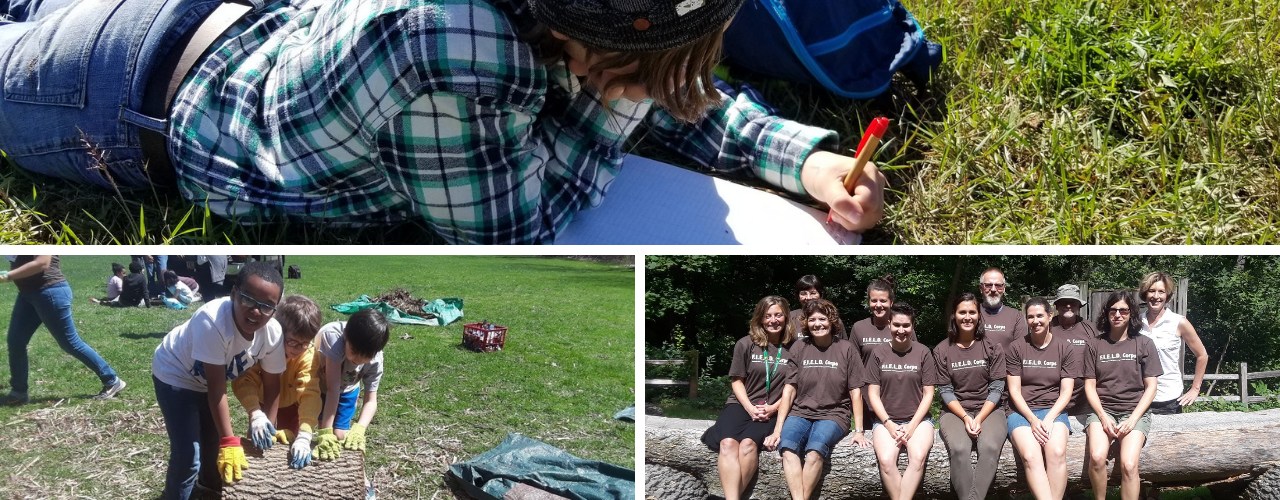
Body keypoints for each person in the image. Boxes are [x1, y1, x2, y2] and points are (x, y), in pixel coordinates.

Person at [0, 0, 887, 244]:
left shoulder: (562, 23)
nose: (658, 88)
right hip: (116, 99)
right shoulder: (452, 57)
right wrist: (626, 105)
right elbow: (522, 224)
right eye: (634, 73)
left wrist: (795, 159)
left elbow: (652, 93)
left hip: (217, 23)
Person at [150, 261, 287, 498]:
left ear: (275, 309)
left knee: (213, 449)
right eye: (248, 299)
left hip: (208, 383)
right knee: (189, 456)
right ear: (234, 294)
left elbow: (273, 385)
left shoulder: (273, 332)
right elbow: (217, 389)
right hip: (176, 374)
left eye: (266, 306)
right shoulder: (212, 321)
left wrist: (267, 425)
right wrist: (230, 440)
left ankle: (207, 490)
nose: (256, 311)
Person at [700, 295, 796, 500]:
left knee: (748, 444)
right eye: (768, 316)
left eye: (778, 315)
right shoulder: (745, 344)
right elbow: (737, 381)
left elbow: (793, 386)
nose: (773, 320)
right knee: (727, 443)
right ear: (760, 319)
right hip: (741, 404)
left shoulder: (795, 348)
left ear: (786, 317)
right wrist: (750, 407)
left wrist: (773, 408)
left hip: (774, 409)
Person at [2, 256, 127, 405]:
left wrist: (8, 276)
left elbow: (42, 263)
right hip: (27, 294)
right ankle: (19, 391)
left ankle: (112, 380)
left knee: (70, 343)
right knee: (16, 341)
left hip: (50, 291)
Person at [777, 299, 864, 500]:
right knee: (787, 447)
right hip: (800, 412)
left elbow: (856, 392)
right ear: (806, 323)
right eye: (812, 319)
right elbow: (789, 389)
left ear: (832, 321)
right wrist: (777, 428)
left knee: (815, 450)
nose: (818, 324)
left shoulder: (846, 349)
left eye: (822, 319)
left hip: (834, 414)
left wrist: (859, 431)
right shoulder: (799, 347)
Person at [1084, 291, 1162, 500]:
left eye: (1123, 310)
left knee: (1128, 464)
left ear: (1131, 314)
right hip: (1103, 410)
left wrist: (1133, 419)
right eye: (1113, 310)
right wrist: (1102, 416)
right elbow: (1090, 386)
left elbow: (1152, 386)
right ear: (1107, 313)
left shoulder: (1144, 344)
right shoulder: (1094, 344)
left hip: (1135, 412)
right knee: (1097, 457)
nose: (1118, 314)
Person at [232, 295, 324, 469]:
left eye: (305, 343)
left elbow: (309, 392)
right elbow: (244, 379)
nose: (299, 349)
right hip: (261, 403)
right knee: (258, 446)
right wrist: (255, 413)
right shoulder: (260, 345)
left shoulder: (308, 354)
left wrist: (305, 434)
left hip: (292, 408)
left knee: (288, 448)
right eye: (293, 342)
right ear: (278, 331)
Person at [934, 292, 1007, 500]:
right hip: (955, 411)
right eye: (962, 312)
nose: (967, 317)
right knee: (958, 449)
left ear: (979, 316)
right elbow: (945, 390)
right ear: (954, 316)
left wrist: (980, 417)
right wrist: (966, 418)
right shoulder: (942, 350)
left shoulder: (992, 346)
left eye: (972, 312)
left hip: (990, 408)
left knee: (990, 447)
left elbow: (997, 386)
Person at [866, 302, 942, 500]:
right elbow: (873, 394)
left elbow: (928, 394)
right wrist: (889, 424)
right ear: (889, 324)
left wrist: (912, 425)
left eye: (906, 325)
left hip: (919, 421)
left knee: (917, 458)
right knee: (886, 460)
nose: (901, 330)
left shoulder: (923, 352)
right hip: (885, 421)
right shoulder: (878, 353)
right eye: (897, 325)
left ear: (913, 326)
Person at [1006, 297, 1079, 500]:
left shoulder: (1064, 348)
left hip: (1053, 410)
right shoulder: (1016, 347)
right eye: (1030, 317)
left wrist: (1048, 419)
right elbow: (1014, 391)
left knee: (1056, 452)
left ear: (1050, 316)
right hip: (1021, 412)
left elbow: (1066, 392)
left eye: (1040, 315)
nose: (1035, 321)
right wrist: (1032, 420)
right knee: (1030, 456)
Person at [314, 309, 391, 460]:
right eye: (354, 351)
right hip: (320, 386)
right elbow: (332, 388)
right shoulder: (333, 337)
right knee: (321, 428)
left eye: (366, 356)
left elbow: (371, 400)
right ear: (346, 336)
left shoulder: (376, 360)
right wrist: (325, 432)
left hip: (348, 390)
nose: (358, 360)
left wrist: (360, 428)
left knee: (341, 435)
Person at [1138, 272, 1208, 415]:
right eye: (1151, 291)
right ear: (1145, 294)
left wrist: (1195, 389)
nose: (1156, 296)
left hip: (1169, 399)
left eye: (1161, 292)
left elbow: (1202, 355)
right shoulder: (1135, 323)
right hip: (1139, 398)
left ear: (1167, 296)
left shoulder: (1178, 322)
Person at [1050, 284, 1095, 420]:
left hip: (1084, 400)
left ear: (1079, 306)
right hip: (1053, 397)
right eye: (1064, 302)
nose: (1068, 306)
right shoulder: (1047, 327)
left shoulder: (1090, 329)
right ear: (1057, 306)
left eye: (1073, 302)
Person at [850, 276, 897, 361]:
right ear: (869, 302)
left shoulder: (903, 327)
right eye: (874, 301)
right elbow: (852, 363)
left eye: (883, 301)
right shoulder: (859, 328)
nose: (878, 305)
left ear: (891, 302)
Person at [978, 268, 1027, 348]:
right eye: (988, 285)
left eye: (998, 285)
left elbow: (1021, 350)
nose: (993, 289)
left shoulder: (1016, 316)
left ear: (1004, 288)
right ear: (981, 288)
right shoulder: (970, 314)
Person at [788, 275, 844, 340]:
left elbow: (842, 345)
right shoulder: (790, 317)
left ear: (820, 294)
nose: (808, 298)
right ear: (798, 296)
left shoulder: (833, 318)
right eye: (803, 294)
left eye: (813, 293)